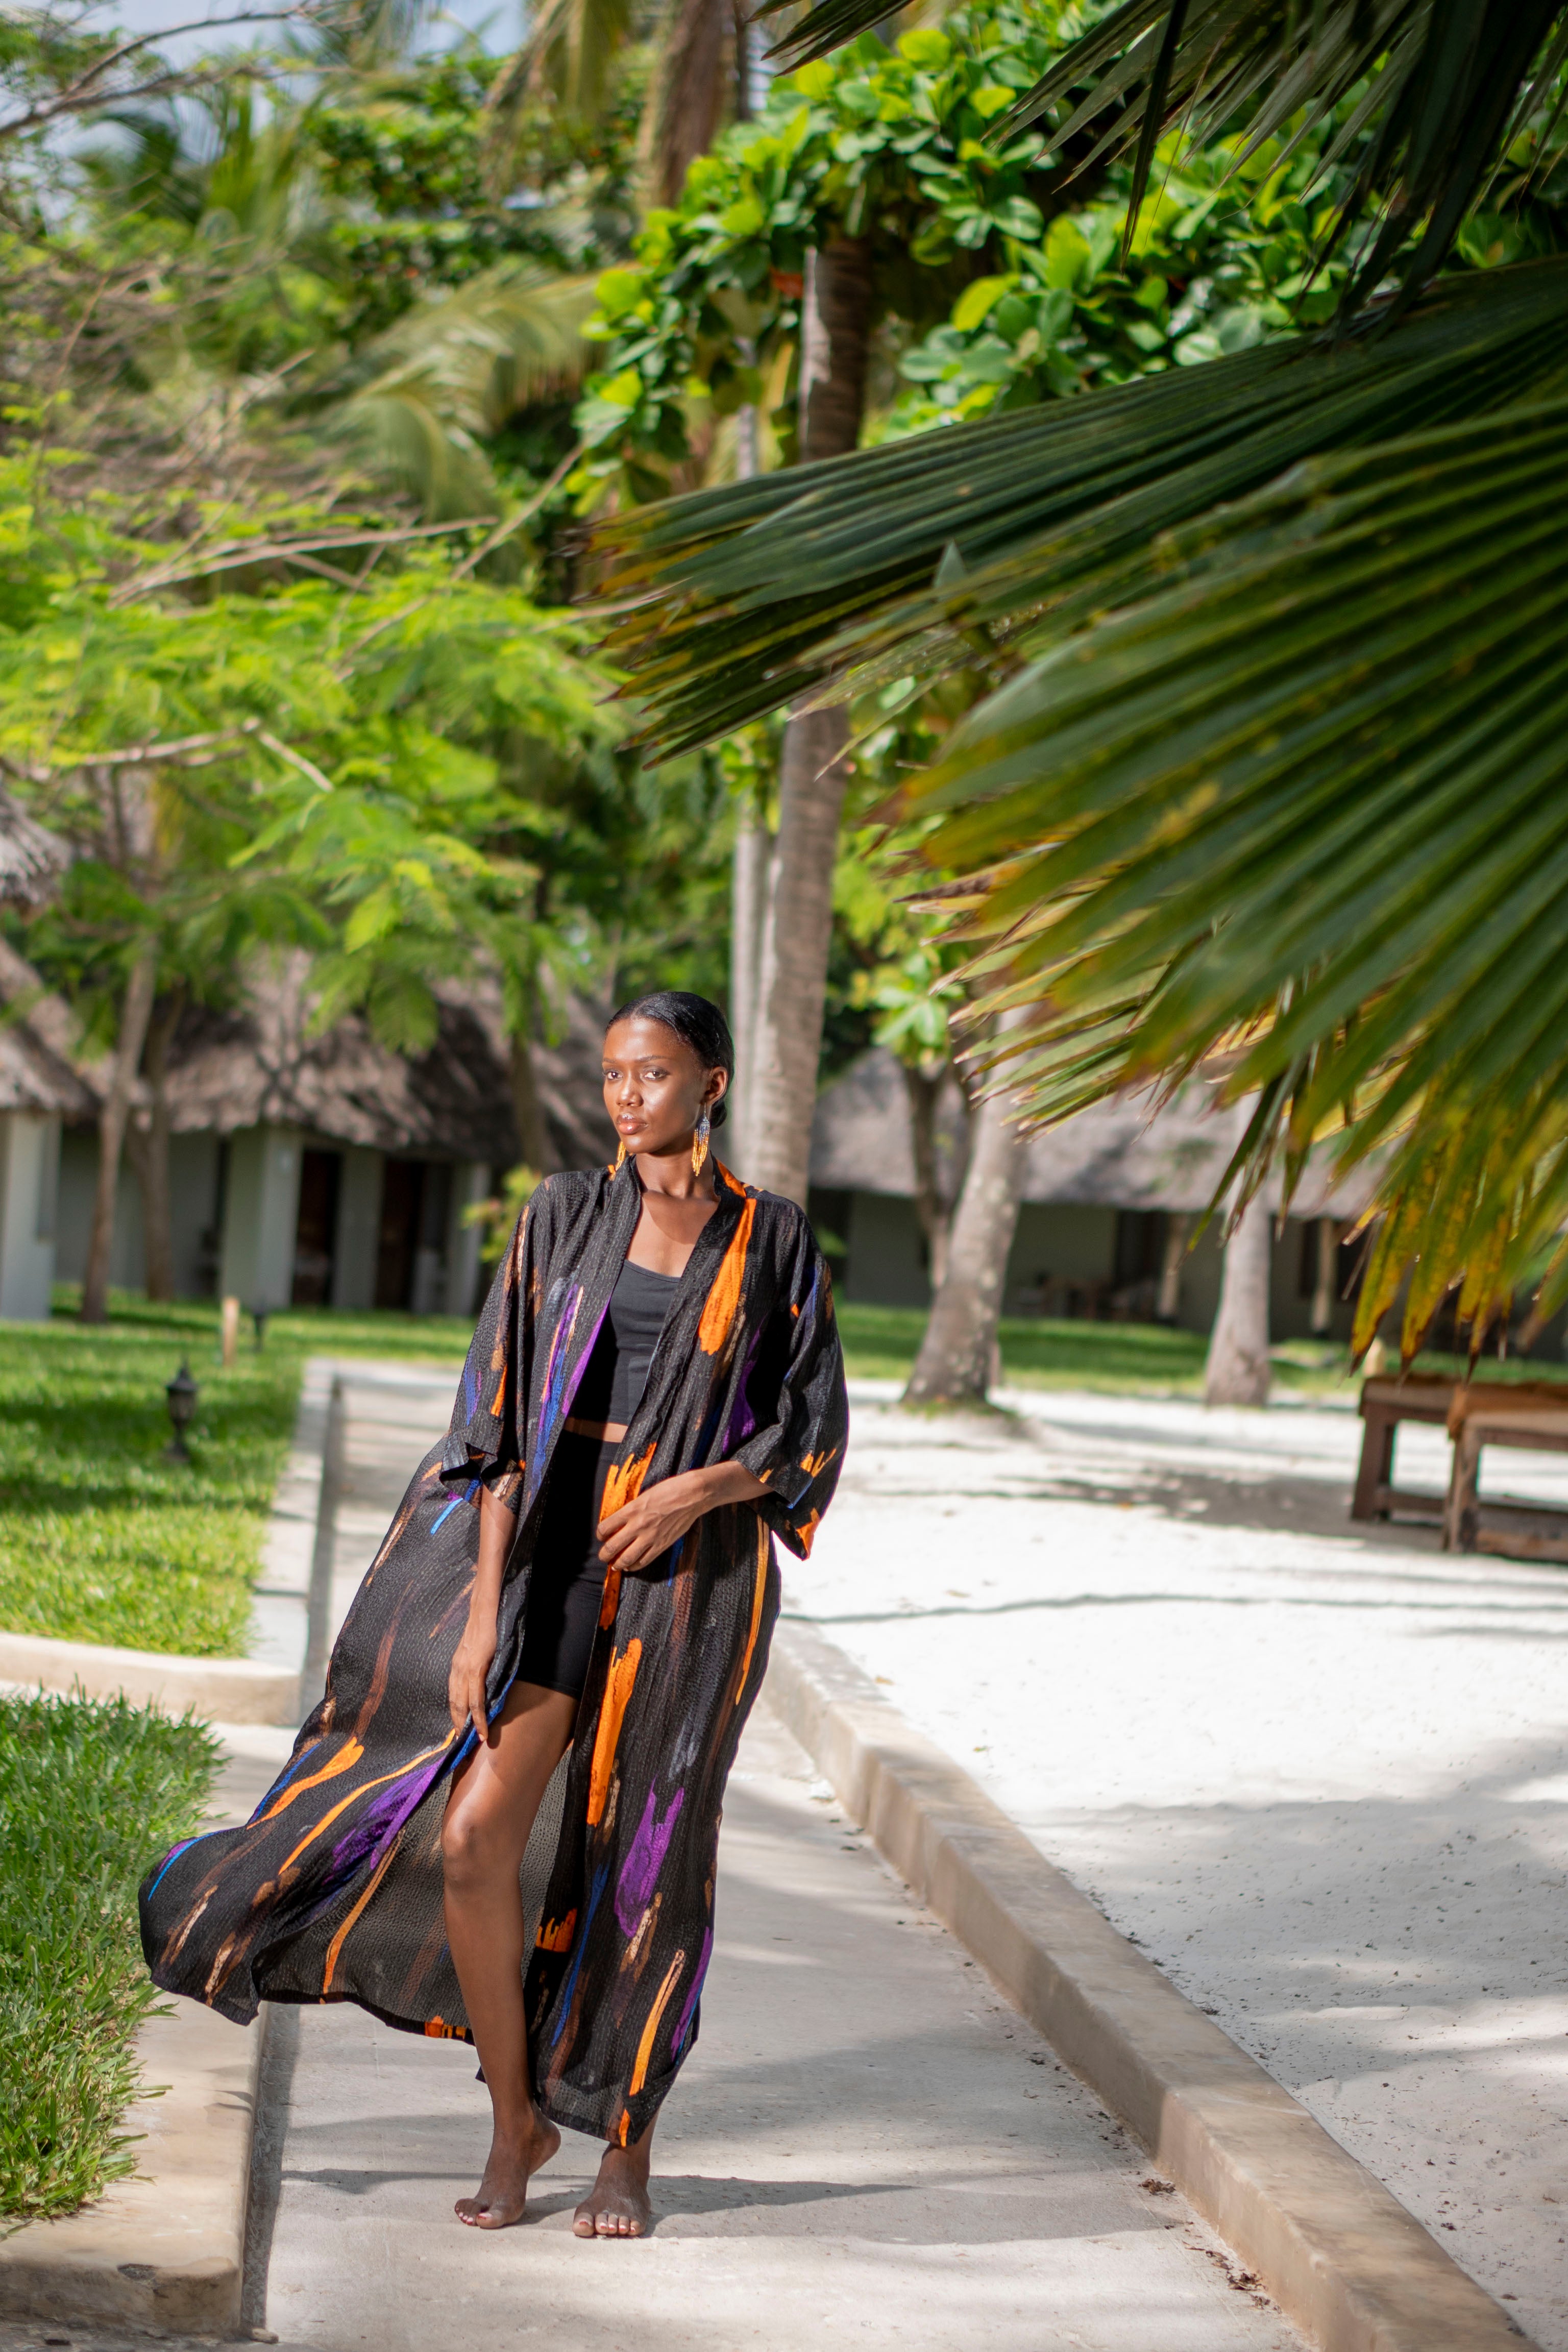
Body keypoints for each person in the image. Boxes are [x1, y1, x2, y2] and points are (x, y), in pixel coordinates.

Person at [140, 992, 848, 2240]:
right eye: (614, 1073)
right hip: (551, 1564)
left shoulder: (771, 1237)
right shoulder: (561, 1215)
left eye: (655, 1074)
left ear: (712, 1085)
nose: (628, 1095)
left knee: (645, 1863)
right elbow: (493, 1426)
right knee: (473, 1840)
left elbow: (809, 1425)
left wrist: (693, 1491)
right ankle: (516, 2119)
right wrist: (479, 1618)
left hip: (693, 1590)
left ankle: (625, 2148)